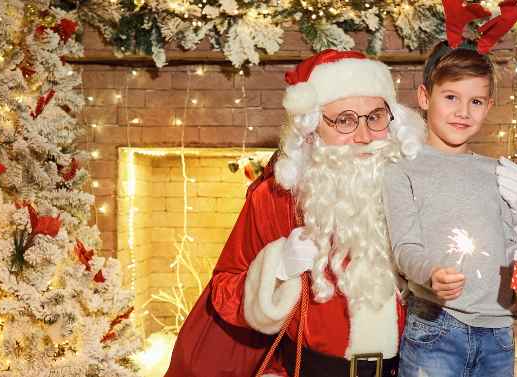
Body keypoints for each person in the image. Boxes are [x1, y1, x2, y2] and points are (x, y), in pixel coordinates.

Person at [165, 49, 427, 377]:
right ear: (311, 127)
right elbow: (224, 289)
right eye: (344, 120)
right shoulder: (277, 197)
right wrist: (276, 268)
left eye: (375, 117)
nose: (363, 137)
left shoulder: (415, 187)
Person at [383, 1, 517, 376]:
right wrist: (430, 273)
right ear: (425, 97)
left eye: (475, 102)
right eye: (450, 97)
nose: (462, 112)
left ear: (488, 107)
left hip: (499, 331)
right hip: (437, 327)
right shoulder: (403, 171)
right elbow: (404, 248)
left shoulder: (500, 172)